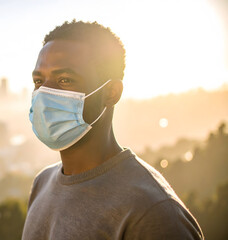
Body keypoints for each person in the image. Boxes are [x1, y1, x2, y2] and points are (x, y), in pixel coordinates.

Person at [22, 20, 203, 240]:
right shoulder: (42, 183)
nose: (44, 93)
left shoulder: (152, 213)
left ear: (111, 92)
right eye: (38, 81)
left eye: (65, 80)